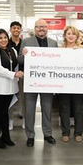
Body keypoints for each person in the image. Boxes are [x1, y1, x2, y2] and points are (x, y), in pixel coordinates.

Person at [19, 19, 59, 147]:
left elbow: (58, 61)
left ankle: (47, 134)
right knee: (29, 110)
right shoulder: (26, 41)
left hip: (47, 81)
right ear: (34, 28)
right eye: (38, 27)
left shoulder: (53, 43)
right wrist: (24, 56)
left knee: (47, 109)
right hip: (31, 81)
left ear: (47, 28)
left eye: (44, 27)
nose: (41, 29)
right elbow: (19, 60)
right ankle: (30, 135)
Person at [0, 29, 21, 149]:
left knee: (5, 112)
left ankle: (6, 137)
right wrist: (14, 75)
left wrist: (16, 76)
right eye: (0, 38)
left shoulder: (13, 51)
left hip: (9, 87)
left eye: (5, 37)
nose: (3, 40)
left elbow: (15, 67)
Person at [58, 26, 83, 143]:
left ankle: (78, 132)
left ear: (77, 36)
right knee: (64, 109)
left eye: (73, 34)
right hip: (64, 84)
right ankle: (65, 132)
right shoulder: (60, 49)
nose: (71, 36)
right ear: (65, 35)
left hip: (77, 84)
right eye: (68, 33)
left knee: (78, 109)